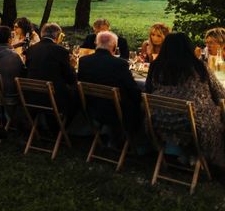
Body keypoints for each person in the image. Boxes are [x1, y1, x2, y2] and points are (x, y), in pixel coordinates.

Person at [145, 32, 225, 168]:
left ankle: (181, 152)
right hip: (192, 122)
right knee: (217, 113)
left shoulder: (155, 66)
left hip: (160, 119)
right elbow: (220, 94)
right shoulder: (199, 67)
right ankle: (207, 157)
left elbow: (148, 91)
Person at [77, 31, 142, 135]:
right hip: (114, 110)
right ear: (114, 47)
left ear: (96, 44)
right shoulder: (120, 64)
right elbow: (133, 89)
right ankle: (134, 138)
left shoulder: (84, 60)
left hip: (90, 106)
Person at [25, 23, 77, 116]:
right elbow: (71, 78)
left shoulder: (31, 49)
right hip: (53, 99)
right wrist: (72, 65)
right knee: (76, 93)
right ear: (58, 36)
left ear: (42, 34)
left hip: (32, 97)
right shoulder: (60, 50)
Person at [0, 26, 25, 96]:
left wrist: (14, 46)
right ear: (9, 39)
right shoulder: (14, 56)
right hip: (8, 94)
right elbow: (23, 71)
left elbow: (2, 48)